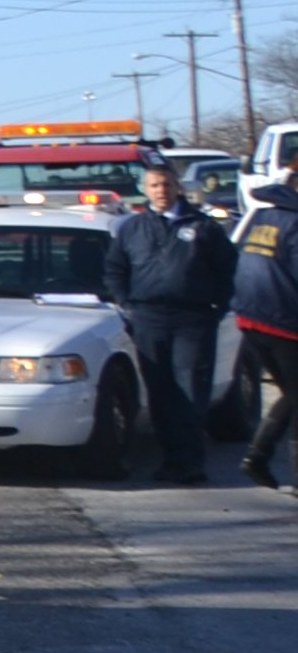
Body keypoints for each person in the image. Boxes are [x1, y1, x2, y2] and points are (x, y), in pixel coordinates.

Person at [107, 158, 232, 486]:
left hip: (193, 319)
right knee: (160, 393)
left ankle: (190, 463)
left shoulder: (204, 227)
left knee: (190, 390)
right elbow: (115, 270)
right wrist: (126, 304)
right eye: (154, 185)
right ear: (144, 190)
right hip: (149, 318)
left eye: (166, 184)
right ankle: (169, 459)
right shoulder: (131, 228)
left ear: (178, 187)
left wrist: (215, 309)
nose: (161, 191)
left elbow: (228, 271)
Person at [232, 192, 297, 495]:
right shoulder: (295, 222)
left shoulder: (263, 216)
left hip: (252, 317)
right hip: (284, 321)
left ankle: (257, 456)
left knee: (292, 393)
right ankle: (261, 459)